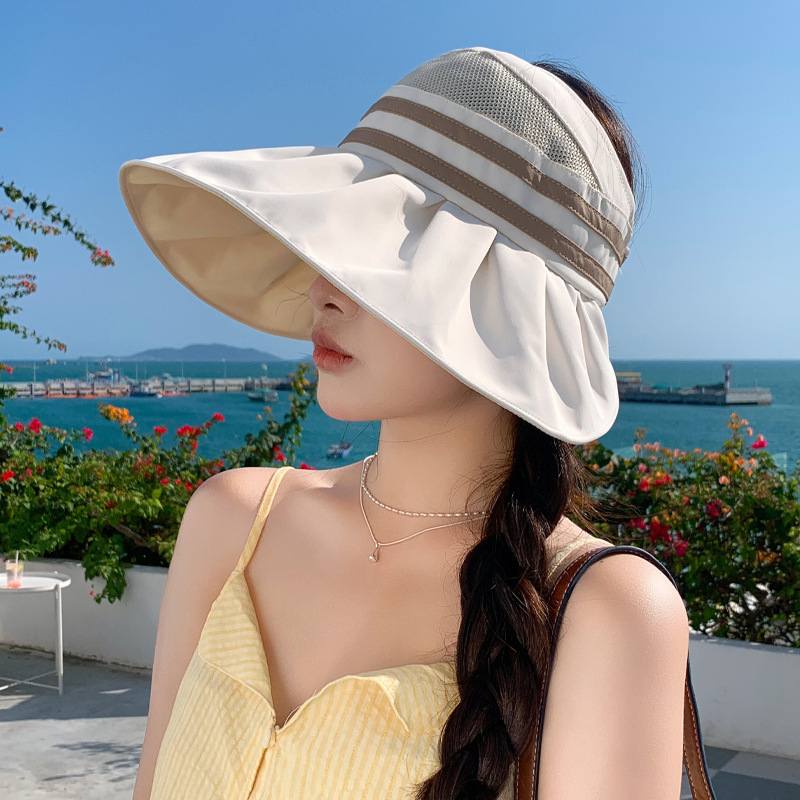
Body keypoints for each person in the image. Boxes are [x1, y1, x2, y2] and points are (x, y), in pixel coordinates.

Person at [122, 47, 690, 800]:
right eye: (334, 244)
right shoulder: (231, 522)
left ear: (507, 304)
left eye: (383, 255)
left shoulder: (604, 613)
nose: (322, 288)